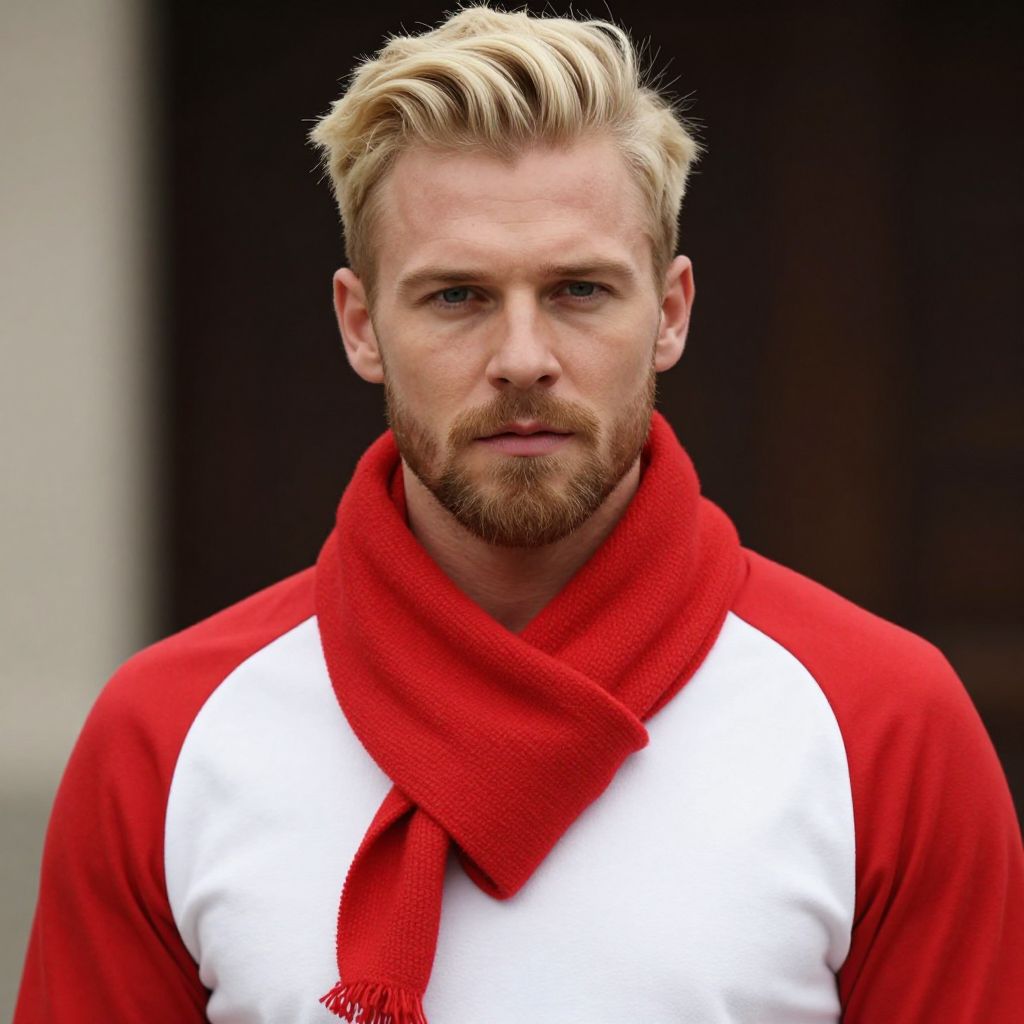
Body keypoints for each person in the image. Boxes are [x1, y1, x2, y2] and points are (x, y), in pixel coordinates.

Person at [14, 6, 1023, 1023]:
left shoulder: (884, 727)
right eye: (457, 296)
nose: (524, 358)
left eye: (580, 289)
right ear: (360, 326)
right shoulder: (167, 736)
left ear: (670, 313)